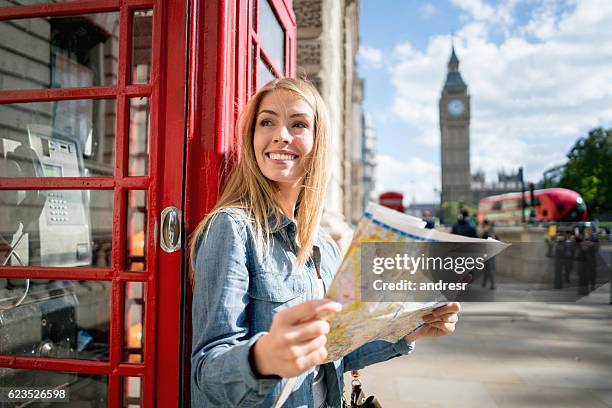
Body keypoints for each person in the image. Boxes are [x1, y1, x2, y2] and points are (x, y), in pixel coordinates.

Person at [190, 78, 461, 408]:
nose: (281, 134)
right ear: (251, 137)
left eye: (299, 124)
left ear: (318, 142)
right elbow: (206, 370)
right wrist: (263, 357)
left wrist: (411, 328)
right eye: (267, 121)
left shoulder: (325, 247)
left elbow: (335, 354)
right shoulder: (233, 228)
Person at [480, 220, 497, 290]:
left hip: (488, 252)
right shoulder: (491, 231)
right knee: (487, 268)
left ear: (484, 225)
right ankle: (484, 282)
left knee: (489, 269)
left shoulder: (487, 232)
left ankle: (492, 284)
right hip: (491, 252)